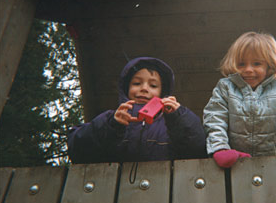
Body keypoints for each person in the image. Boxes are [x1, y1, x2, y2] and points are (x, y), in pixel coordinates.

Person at [203, 32, 276, 168]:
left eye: (256, 64)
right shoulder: (226, 87)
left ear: (269, 65)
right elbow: (215, 118)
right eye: (241, 64)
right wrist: (220, 148)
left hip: (269, 162)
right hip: (233, 161)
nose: (248, 69)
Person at [68, 57, 207, 164]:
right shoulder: (111, 118)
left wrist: (179, 117)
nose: (144, 88)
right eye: (136, 83)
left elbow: (198, 149)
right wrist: (112, 126)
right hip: (114, 191)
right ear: (126, 88)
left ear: (162, 93)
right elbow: (77, 149)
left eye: (153, 85)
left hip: (164, 189)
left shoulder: (169, 123)